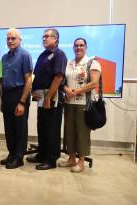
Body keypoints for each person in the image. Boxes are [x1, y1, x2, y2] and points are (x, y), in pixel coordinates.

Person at [59, 38, 101, 173]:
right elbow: (63, 81)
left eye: (81, 45)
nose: (78, 47)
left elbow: (94, 83)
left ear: (86, 47)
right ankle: (71, 158)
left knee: (82, 133)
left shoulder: (92, 63)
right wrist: (66, 90)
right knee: (69, 132)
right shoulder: (69, 63)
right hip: (69, 103)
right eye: (76, 45)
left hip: (84, 104)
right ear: (73, 48)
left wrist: (76, 91)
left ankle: (81, 161)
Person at [28, 28, 68, 170]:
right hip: (41, 96)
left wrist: (48, 98)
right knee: (42, 126)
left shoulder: (59, 54)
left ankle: (51, 160)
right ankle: (42, 154)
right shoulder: (43, 55)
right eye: (43, 36)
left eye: (47, 36)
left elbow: (58, 77)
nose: (44, 38)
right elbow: (36, 75)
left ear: (55, 39)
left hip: (53, 97)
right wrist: (33, 91)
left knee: (52, 129)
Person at [0, 28, 33, 169]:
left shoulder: (25, 55)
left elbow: (28, 80)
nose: (10, 41)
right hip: (7, 95)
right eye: (8, 38)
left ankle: (19, 157)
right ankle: (11, 154)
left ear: (20, 40)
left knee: (20, 128)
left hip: (19, 94)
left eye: (13, 38)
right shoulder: (4, 57)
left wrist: (22, 102)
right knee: (9, 128)